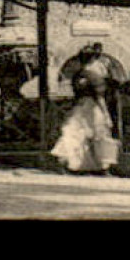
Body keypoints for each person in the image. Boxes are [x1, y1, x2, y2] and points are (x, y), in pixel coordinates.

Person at [52, 45, 114, 173]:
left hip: (79, 107)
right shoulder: (95, 77)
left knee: (75, 133)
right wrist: (106, 114)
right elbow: (99, 97)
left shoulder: (78, 76)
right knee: (99, 134)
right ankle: (102, 165)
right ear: (93, 61)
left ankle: (68, 161)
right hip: (92, 107)